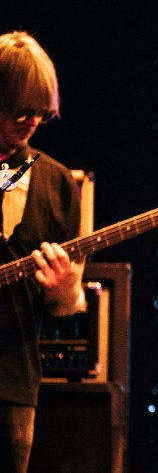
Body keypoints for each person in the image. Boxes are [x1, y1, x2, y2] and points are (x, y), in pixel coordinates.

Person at [0, 31, 87, 473]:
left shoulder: (57, 183)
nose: (32, 120)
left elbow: (65, 306)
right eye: (21, 109)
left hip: (14, 383)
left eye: (40, 111)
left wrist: (63, 287)